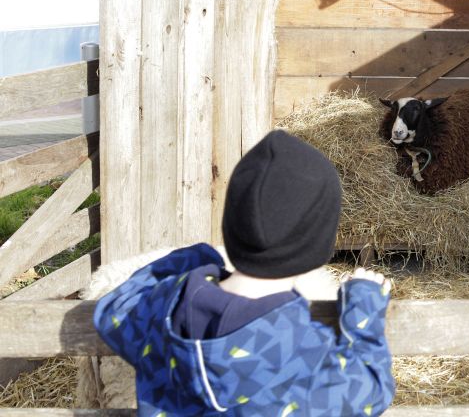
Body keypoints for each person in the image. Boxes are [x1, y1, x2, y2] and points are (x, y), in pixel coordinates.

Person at [94, 130, 395, 416]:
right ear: (316, 243)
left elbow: (114, 306)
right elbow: (373, 389)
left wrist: (198, 257)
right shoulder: (306, 356)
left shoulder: (161, 314)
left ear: (232, 228)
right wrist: (364, 305)